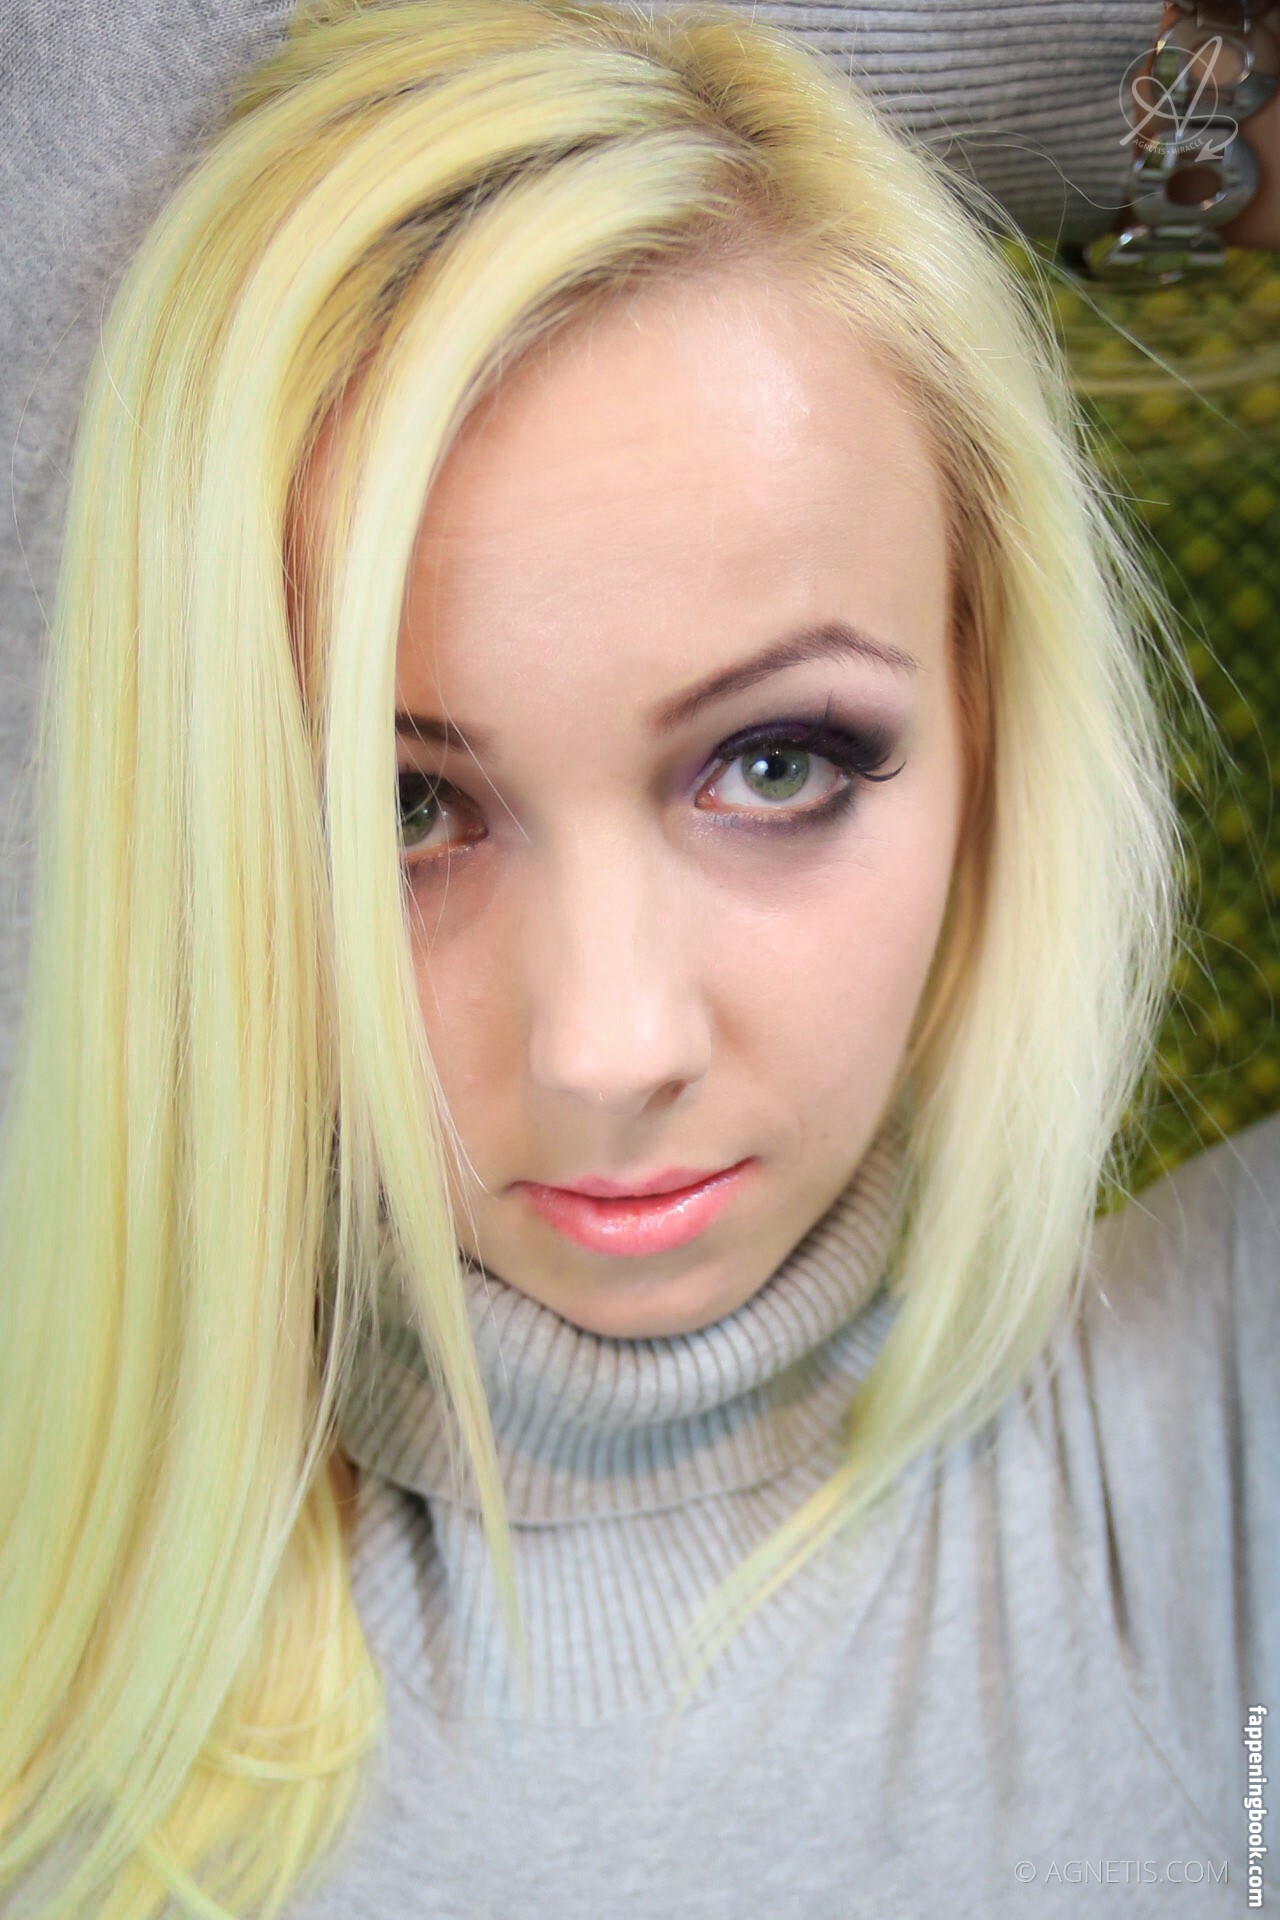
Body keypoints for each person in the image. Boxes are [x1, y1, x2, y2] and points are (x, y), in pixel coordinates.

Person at [0, 1, 1275, 1915]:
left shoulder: (1222, 1470)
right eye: (400, 809)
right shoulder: (58, 1617)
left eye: (776, 764)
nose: (608, 1046)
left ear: (994, 715)